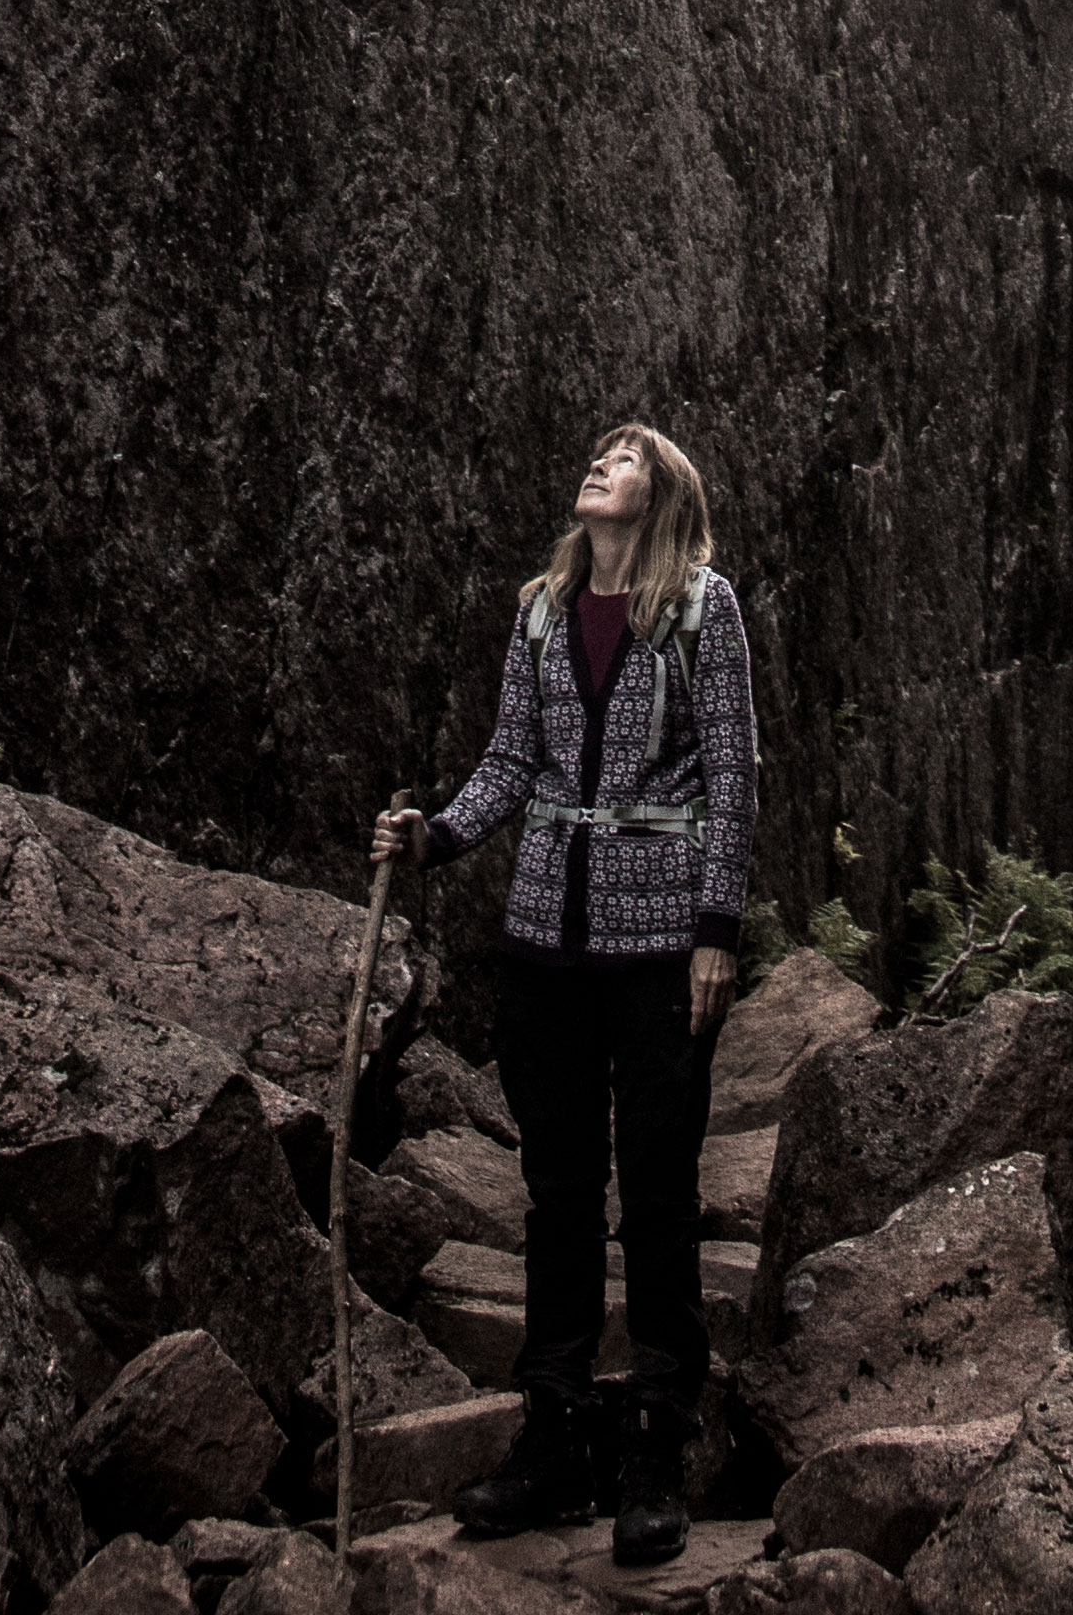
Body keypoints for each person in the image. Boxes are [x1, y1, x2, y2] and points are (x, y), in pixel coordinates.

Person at [371, 423, 757, 1566]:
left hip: (655, 948)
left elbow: (734, 774)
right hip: (544, 937)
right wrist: (433, 835)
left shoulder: (703, 609)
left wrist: (714, 934)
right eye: (595, 454)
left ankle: (654, 1447)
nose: (599, 463)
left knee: (657, 1195)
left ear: (664, 492)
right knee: (555, 1195)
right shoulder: (542, 607)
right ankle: (552, 1438)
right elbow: (512, 764)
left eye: (626, 456)